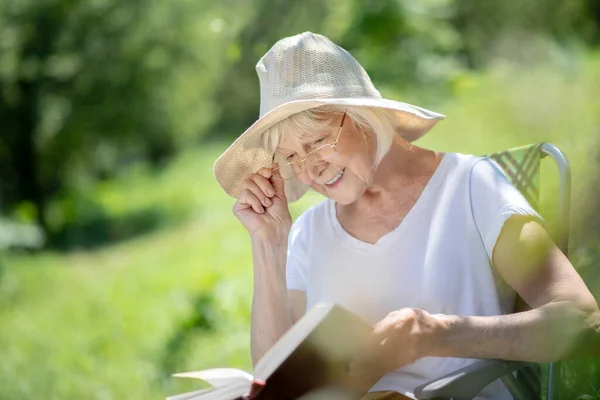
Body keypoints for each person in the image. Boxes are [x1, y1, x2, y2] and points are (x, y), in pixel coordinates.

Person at [213, 32, 600, 400]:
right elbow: (272, 383)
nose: (310, 169)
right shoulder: (309, 233)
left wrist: (435, 334)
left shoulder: (468, 185)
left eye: (316, 141)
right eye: (293, 156)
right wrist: (269, 242)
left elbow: (584, 322)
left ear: (362, 114)